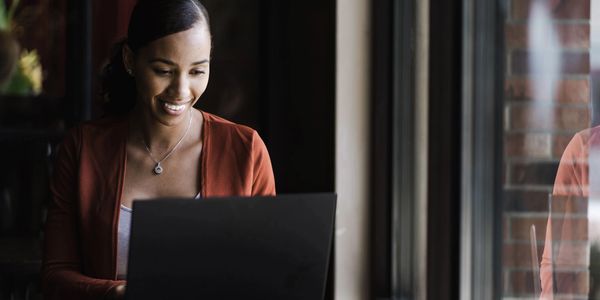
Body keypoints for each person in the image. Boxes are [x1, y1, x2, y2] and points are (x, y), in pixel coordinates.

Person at [41, 1, 276, 299]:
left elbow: (267, 272)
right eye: (164, 70)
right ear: (130, 61)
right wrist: (120, 293)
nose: (180, 90)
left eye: (197, 71)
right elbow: (55, 275)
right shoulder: (82, 149)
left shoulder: (246, 151)